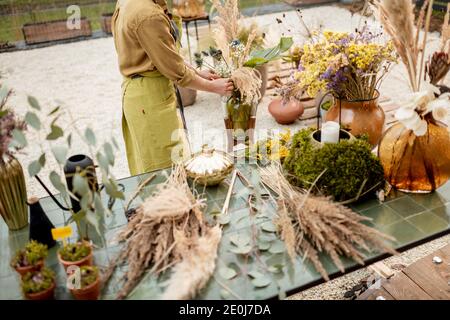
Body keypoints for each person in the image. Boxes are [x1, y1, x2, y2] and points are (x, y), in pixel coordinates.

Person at [112, 0, 233, 175]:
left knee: (150, 164)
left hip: (137, 96)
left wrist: (197, 72)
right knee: (167, 170)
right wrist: (214, 87)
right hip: (149, 100)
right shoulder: (148, 14)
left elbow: (160, 52)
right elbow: (176, 71)